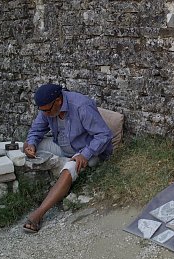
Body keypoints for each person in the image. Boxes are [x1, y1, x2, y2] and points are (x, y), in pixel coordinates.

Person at [22, 83, 113, 233]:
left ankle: (38, 214)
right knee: (24, 145)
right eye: (42, 111)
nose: (44, 114)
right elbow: (37, 129)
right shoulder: (48, 108)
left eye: (47, 110)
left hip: (87, 150)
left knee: (71, 167)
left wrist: (85, 154)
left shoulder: (81, 106)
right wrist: (31, 144)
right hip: (63, 146)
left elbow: (104, 135)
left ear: (58, 101)